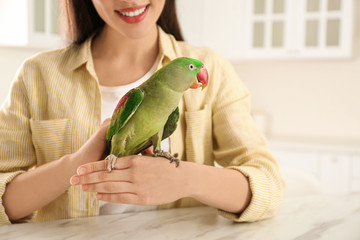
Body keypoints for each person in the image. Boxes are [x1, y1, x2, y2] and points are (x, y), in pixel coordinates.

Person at [0, 0, 285, 224]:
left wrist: (185, 179)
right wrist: (75, 164)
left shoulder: (213, 66)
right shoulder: (37, 75)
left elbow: (269, 185)